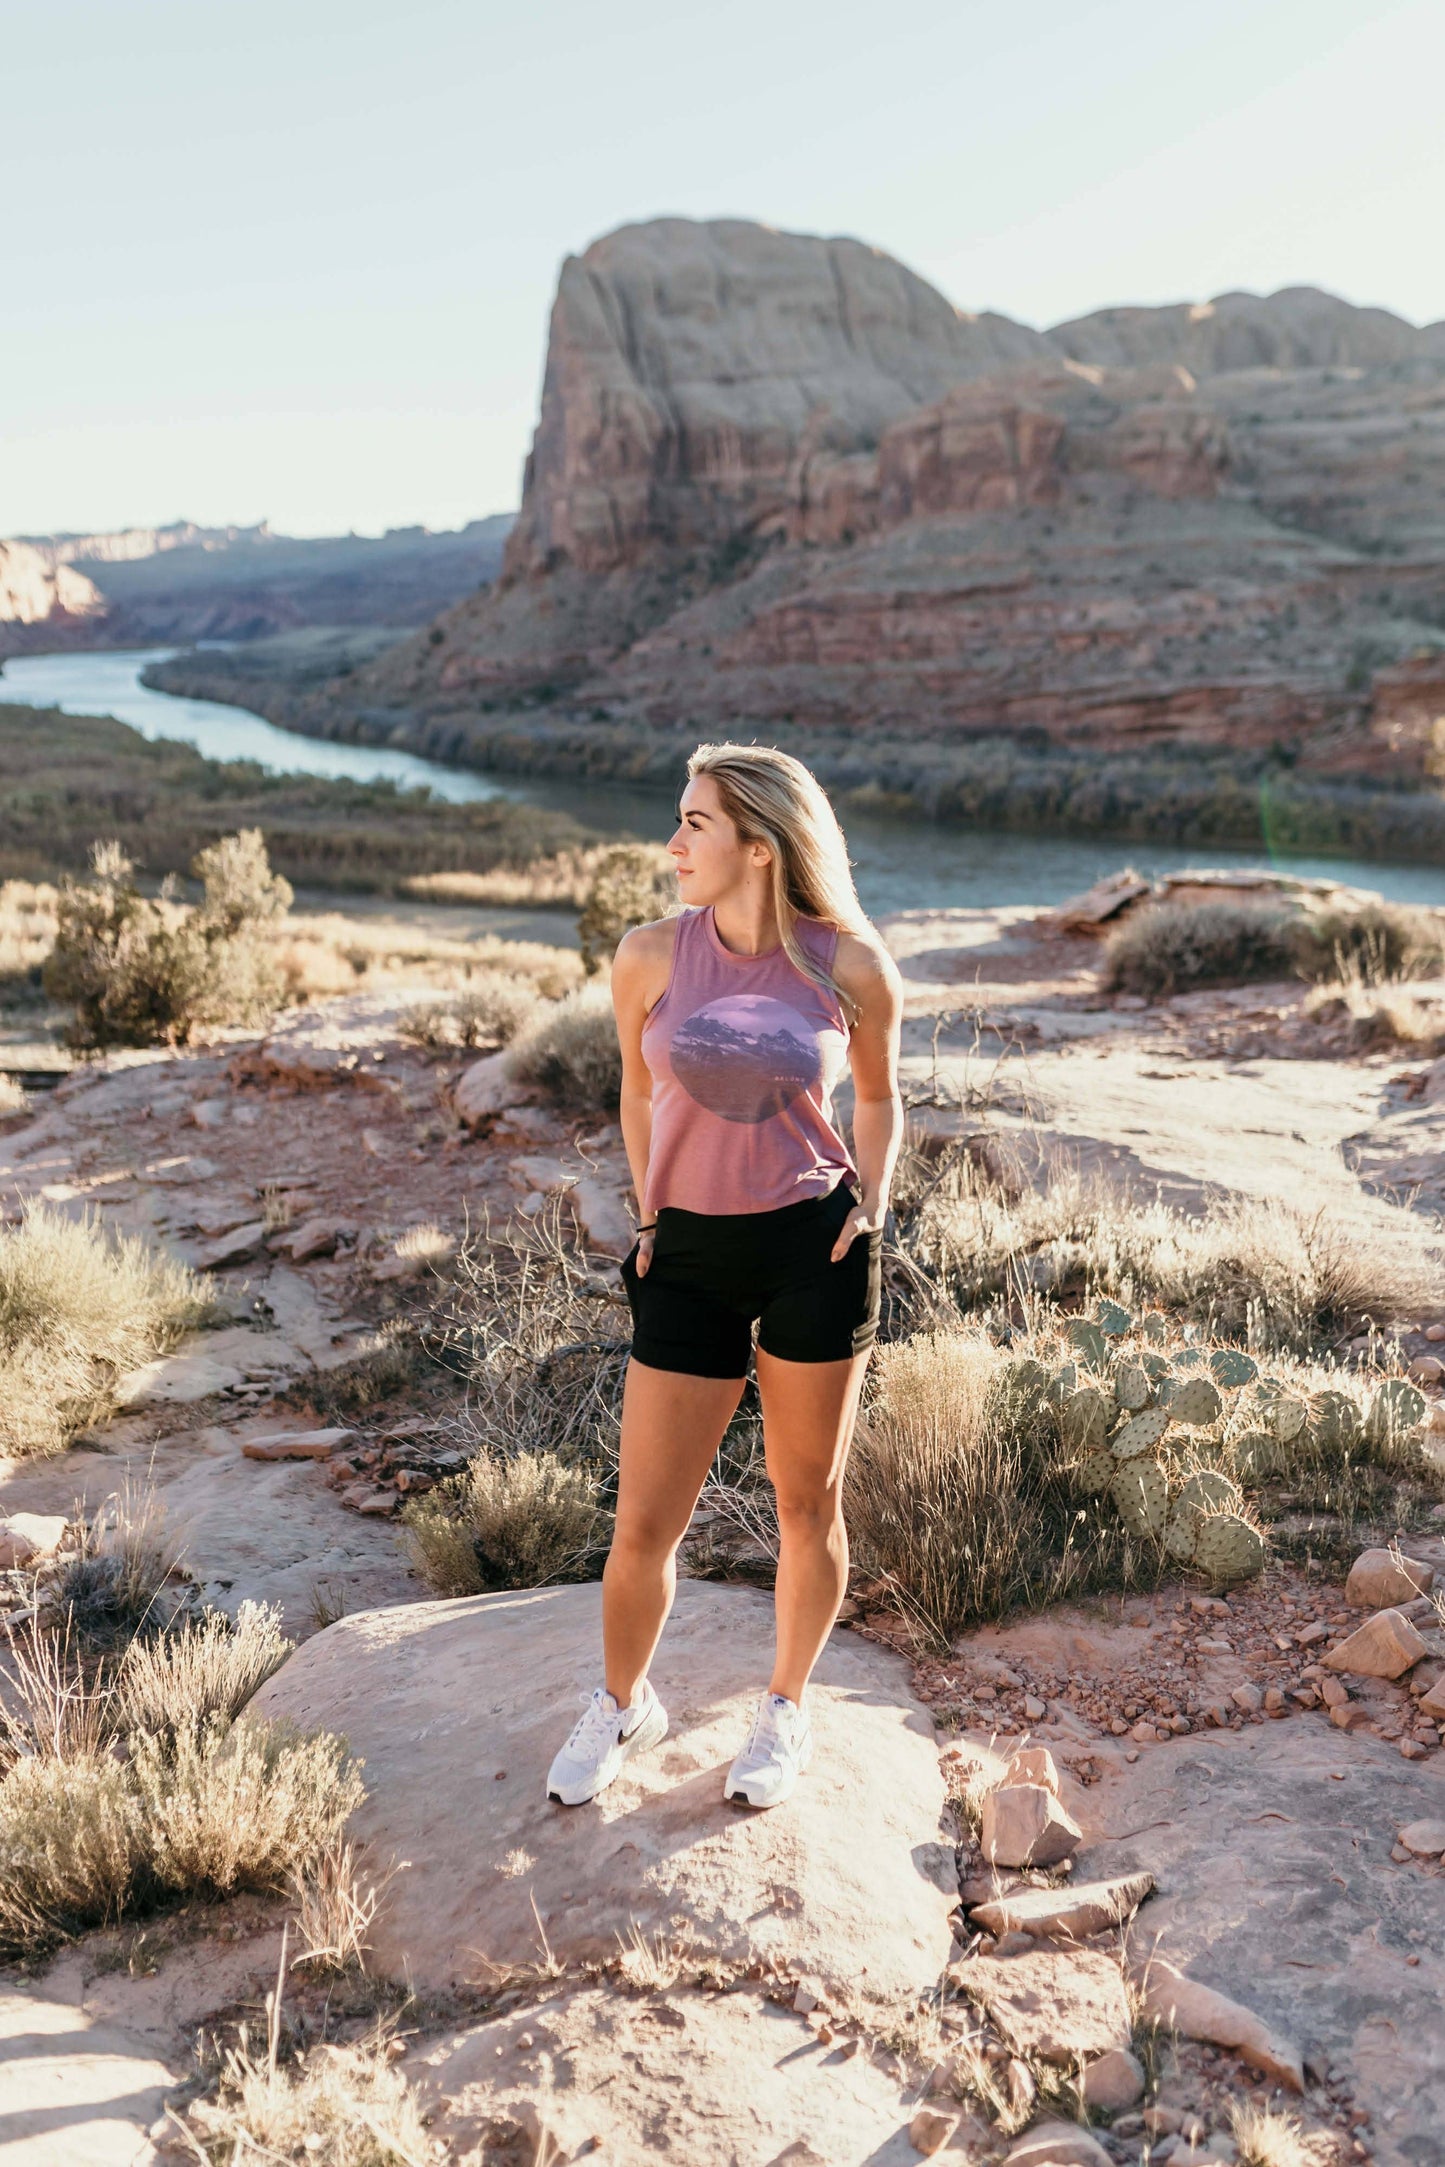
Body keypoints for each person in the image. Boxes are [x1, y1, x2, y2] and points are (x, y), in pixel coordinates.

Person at [546, 741, 903, 1811]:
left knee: (807, 1505)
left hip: (813, 1248)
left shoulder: (847, 964)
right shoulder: (648, 956)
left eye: (693, 823)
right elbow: (635, 1094)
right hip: (687, 1256)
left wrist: (872, 1211)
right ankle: (620, 1702)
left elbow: (878, 1100)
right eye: (677, 819)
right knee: (644, 1521)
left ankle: (784, 1710)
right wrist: (650, 1211)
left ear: (760, 845)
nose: (671, 844)